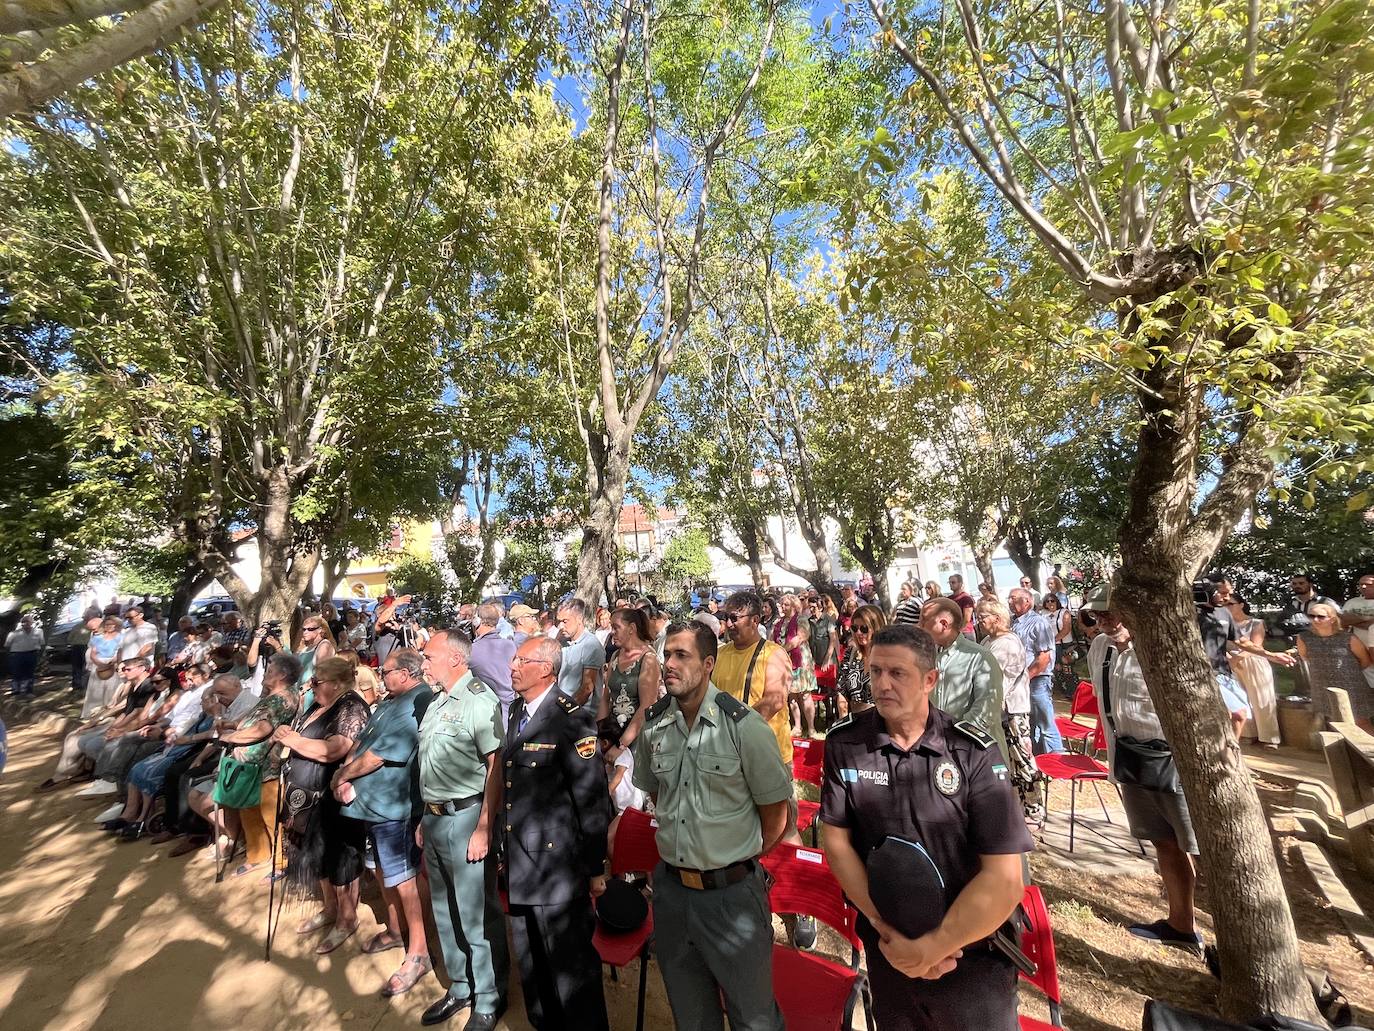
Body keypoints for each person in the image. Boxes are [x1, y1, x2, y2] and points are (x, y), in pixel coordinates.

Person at [820, 624, 1033, 1030]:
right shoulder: (846, 745)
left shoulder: (971, 752)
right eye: (875, 671)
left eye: (897, 673)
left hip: (972, 956)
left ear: (930, 680)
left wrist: (935, 947)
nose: (882, 684)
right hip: (889, 948)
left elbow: (1004, 878)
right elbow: (838, 843)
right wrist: (889, 934)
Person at [633, 621, 792, 1030]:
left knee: (753, 1017)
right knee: (692, 1016)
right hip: (671, 895)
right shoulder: (653, 726)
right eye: (666, 654)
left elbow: (775, 813)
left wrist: (738, 857)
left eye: (681, 655)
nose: (669, 664)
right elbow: (656, 793)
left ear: (707, 664)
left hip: (731, 898)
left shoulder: (743, 727)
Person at [1081, 586, 1204, 955]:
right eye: (1097, 615)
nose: (1103, 621)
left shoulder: (1162, 649)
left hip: (1175, 760)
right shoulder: (1100, 649)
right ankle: (1180, 924)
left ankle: (1218, 935)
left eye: (1111, 613)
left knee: (1198, 848)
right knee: (1162, 842)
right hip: (1133, 759)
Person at [500, 635, 609, 1031]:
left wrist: (595, 866)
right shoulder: (516, 710)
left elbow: (592, 799)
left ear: (545, 668)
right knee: (532, 965)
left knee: (570, 972)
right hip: (520, 860)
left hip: (556, 868)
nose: (512, 665)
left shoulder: (571, 718)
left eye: (520, 659)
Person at [415, 631, 508, 1029]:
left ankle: (489, 998)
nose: (423, 662)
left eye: (430, 656)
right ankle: (460, 986)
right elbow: (433, 766)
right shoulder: (437, 701)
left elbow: (495, 766)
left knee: (475, 914)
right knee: (444, 908)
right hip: (435, 818)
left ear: (455, 659)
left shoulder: (477, 699)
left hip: (467, 818)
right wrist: (424, 815)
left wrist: (485, 826)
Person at [331, 647, 435, 997]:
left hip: (395, 807)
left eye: (386, 671)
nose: (380, 676)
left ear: (405, 674)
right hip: (370, 805)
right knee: (379, 869)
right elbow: (362, 740)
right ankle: (394, 930)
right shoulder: (391, 700)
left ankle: (419, 952)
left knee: (404, 879)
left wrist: (342, 774)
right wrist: (343, 774)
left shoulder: (417, 701)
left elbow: (379, 755)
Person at [275, 656, 370, 950]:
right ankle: (330, 909)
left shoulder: (351, 706)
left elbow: (335, 750)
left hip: (332, 795)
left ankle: (346, 918)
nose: (311, 686)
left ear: (337, 683)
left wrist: (292, 741)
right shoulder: (319, 705)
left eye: (317, 681)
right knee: (316, 855)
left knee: (339, 858)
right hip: (305, 797)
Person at [210, 650, 301, 875]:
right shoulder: (274, 695)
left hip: (266, 766)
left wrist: (230, 738)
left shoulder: (283, 698)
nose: (264, 674)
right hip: (250, 767)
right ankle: (258, 854)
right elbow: (254, 721)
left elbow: (263, 729)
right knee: (248, 810)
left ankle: (281, 862)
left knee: (271, 815)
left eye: (269, 671)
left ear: (281, 675)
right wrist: (233, 726)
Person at [977, 598, 1043, 824]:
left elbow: (1000, 680)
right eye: (977, 617)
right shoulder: (987, 641)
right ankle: (1016, 808)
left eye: (983, 617)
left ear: (997, 618)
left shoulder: (1008, 642)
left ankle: (1034, 809)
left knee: (1022, 758)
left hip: (1013, 710)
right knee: (1007, 762)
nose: (979, 621)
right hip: (996, 711)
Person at [919, 597, 1008, 757]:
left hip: (977, 753)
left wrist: (953, 738)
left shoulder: (980, 657)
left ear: (944, 624)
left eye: (924, 620)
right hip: (943, 749)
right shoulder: (929, 657)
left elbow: (985, 712)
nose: (920, 626)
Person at [715, 591, 794, 766]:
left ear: (755, 620)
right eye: (726, 617)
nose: (728, 624)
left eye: (735, 618)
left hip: (766, 755)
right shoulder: (719, 653)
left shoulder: (774, 654)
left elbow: (774, 701)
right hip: (727, 754)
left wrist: (733, 731)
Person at [1223, 595, 1292, 747]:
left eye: (1230, 604)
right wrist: (1229, 659)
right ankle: (1248, 734)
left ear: (1241, 604)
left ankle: (1269, 738)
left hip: (1254, 662)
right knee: (1240, 699)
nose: (1227, 607)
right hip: (1230, 663)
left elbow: (1256, 646)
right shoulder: (1223, 624)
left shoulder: (1256, 623)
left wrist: (1236, 659)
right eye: (1224, 604)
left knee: (1262, 700)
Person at [1298, 603, 1373, 732]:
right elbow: (1305, 657)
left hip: (1352, 686)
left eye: (1320, 616)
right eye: (1311, 616)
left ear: (1332, 619)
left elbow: (1365, 660)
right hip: (1322, 686)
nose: (1315, 620)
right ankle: (1346, 751)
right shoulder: (1303, 638)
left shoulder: (1348, 638)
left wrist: (1347, 673)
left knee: (1361, 722)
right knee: (1334, 722)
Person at [598, 607, 660, 761]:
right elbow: (605, 698)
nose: (612, 632)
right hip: (613, 734)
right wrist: (599, 734)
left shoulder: (648, 658)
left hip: (637, 739)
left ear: (631, 628)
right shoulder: (615, 656)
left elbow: (647, 706)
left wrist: (621, 745)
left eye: (616, 627)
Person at [1009, 588, 1063, 756]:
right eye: (1009, 599)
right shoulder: (1013, 623)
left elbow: (1044, 656)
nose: (1010, 602)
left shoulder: (1038, 623)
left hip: (1037, 679)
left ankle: (1057, 759)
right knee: (1031, 723)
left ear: (1027, 601)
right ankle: (1039, 759)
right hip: (1021, 681)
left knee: (1046, 723)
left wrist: (1026, 678)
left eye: (1014, 599)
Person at [773, 593, 817, 739]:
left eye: (786, 605)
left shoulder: (801, 619)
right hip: (785, 662)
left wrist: (782, 649)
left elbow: (800, 638)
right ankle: (797, 726)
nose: (783, 607)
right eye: (782, 605)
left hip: (801, 662)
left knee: (804, 694)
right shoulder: (779, 622)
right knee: (791, 695)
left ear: (793, 605)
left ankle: (811, 728)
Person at [469, 602, 517, 728]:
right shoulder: (510, 645)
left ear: (476, 621)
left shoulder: (471, 651)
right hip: (511, 713)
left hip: (487, 716)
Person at [835, 604, 885, 719]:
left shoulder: (887, 658)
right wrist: (844, 722)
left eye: (864, 628)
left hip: (880, 723)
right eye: (854, 628)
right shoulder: (851, 653)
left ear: (876, 628)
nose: (858, 633)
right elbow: (841, 690)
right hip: (855, 722)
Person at [555, 598, 605, 706]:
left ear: (579, 619)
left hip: (581, 715)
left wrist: (566, 711)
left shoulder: (591, 645)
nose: (560, 626)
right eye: (558, 621)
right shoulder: (563, 642)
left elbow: (587, 688)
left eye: (565, 621)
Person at [82, 615, 126, 717]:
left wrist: (112, 662)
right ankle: (93, 712)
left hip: (113, 663)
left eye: (112, 624)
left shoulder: (120, 637)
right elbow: (93, 653)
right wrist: (99, 664)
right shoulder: (97, 638)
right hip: (98, 663)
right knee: (96, 689)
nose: (109, 626)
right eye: (107, 625)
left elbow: (120, 652)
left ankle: (108, 712)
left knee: (111, 688)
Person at [1044, 594, 1076, 697]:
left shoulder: (1064, 612)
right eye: (1047, 601)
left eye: (1052, 601)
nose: (1050, 603)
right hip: (1051, 646)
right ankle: (1063, 690)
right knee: (1057, 669)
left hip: (1065, 644)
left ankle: (1073, 691)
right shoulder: (1043, 614)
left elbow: (1066, 628)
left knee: (1067, 668)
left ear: (1056, 601)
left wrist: (1054, 640)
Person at [5, 613, 44, 696]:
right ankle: (15, 691)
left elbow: (42, 644)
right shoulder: (13, 633)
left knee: (29, 673)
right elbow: (7, 646)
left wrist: (40, 654)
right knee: (16, 673)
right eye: (23, 622)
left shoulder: (39, 631)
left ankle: (28, 691)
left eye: (27, 621)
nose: (25, 623)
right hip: (17, 655)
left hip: (32, 654)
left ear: (32, 622)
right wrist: (11, 656)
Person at [1340, 573, 1374, 650]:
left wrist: (1354, 621)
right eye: (1361, 584)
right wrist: (1368, 620)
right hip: (1356, 649)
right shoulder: (1352, 602)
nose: (1363, 587)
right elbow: (1342, 621)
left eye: (1368, 584)